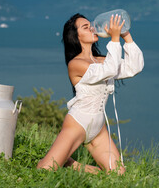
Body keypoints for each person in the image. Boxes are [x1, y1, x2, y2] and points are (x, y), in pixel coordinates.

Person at [37, 13, 144, 174]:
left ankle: (72, 163)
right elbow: (109, 70)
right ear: (76, 36)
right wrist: (114, 39)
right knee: (45, 170)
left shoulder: (102, 60)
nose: (92, 28)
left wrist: (125, 35)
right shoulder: (76, 64)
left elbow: (133, 67)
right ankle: (65, 162)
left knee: (118, 174)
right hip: (78, 123)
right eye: (86, 27)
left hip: (98, 127)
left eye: (91, 25)